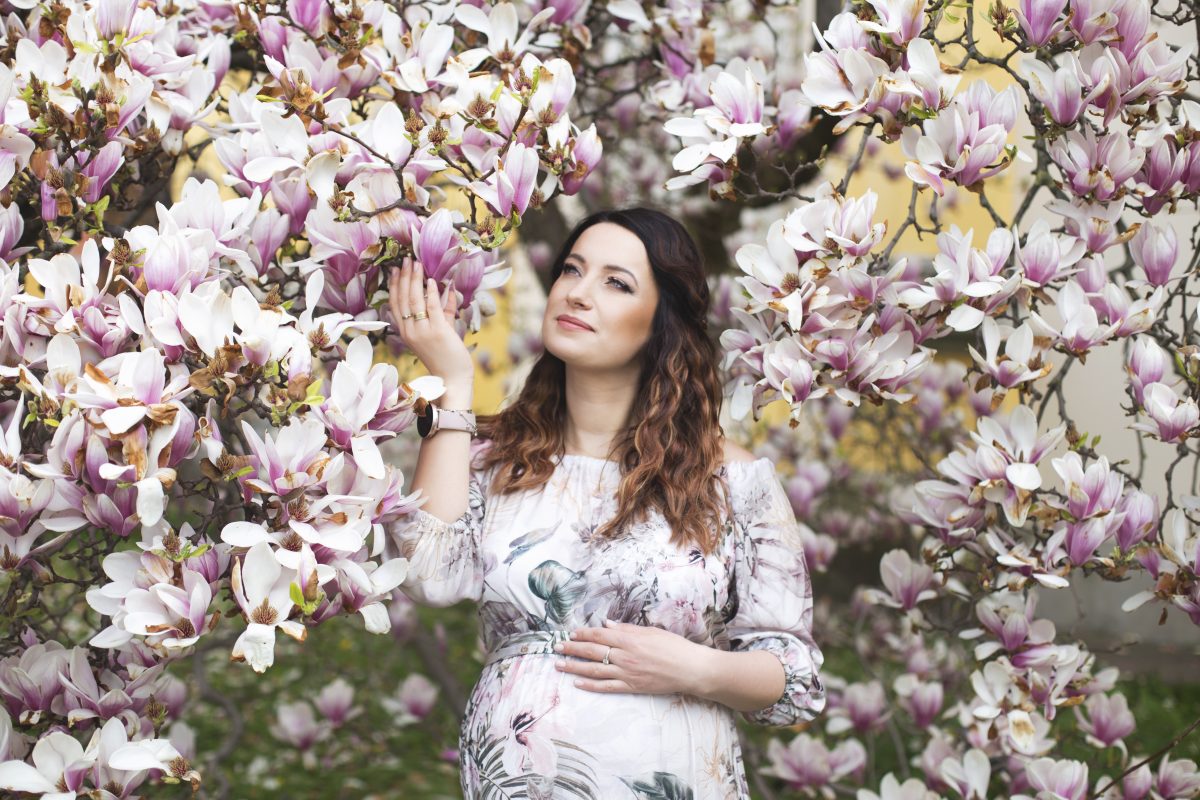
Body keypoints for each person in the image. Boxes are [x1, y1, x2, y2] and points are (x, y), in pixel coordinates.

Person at [385, 208, 825, 799]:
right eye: (572, 269)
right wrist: (453, 382)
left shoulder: (733, 481)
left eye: (616, 282)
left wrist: (696, 668)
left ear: (662, 322)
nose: (578, 292)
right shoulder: (492, 457)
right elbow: (428, 576)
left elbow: (794, 679)